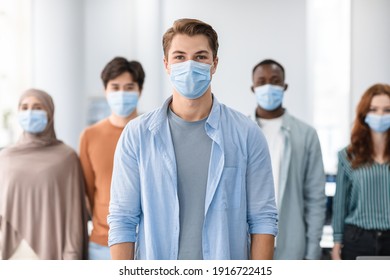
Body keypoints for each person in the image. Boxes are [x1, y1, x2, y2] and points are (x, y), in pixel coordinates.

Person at [108, 18, 278, 260]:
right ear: (166, 64)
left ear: (214, 64)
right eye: (179, 57)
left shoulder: (247, 134)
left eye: (200, 57)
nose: (189, 65)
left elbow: (263, 219)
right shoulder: (137, 136)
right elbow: (123, 219)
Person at [250, 59, 326, 259]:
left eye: (275, 81)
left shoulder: (306, 134)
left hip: (292, 243)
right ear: (253, 88)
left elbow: (315, 198)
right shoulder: (241, 131)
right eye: (262, 81)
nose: (268, 86)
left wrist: (312, 253)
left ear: (284, 86)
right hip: (249, 242)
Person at [0, 89, 88, 260]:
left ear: (50, 113)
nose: (30, 112)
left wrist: (72, 256)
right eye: (24, 107)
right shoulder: (5, 158)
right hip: (10, 250)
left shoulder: (66, 158)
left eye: (37, 107)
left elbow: (74, 215)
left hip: (53, 251)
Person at [79, 57, 145, 260]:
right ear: (105, 91)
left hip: (147, 241)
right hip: (102, 244)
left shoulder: (152, 131)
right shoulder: (90, 136)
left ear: (139, 90)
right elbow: (88, 193)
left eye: (129, 87)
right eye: (115, 87)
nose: (122, 93)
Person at [332, 83, 390, 260]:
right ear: (364, 114)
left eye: (387, 110)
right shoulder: (347, 155)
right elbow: (340, 204)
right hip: (357, 240)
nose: (380, 115)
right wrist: (336, 244)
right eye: (373, 109)